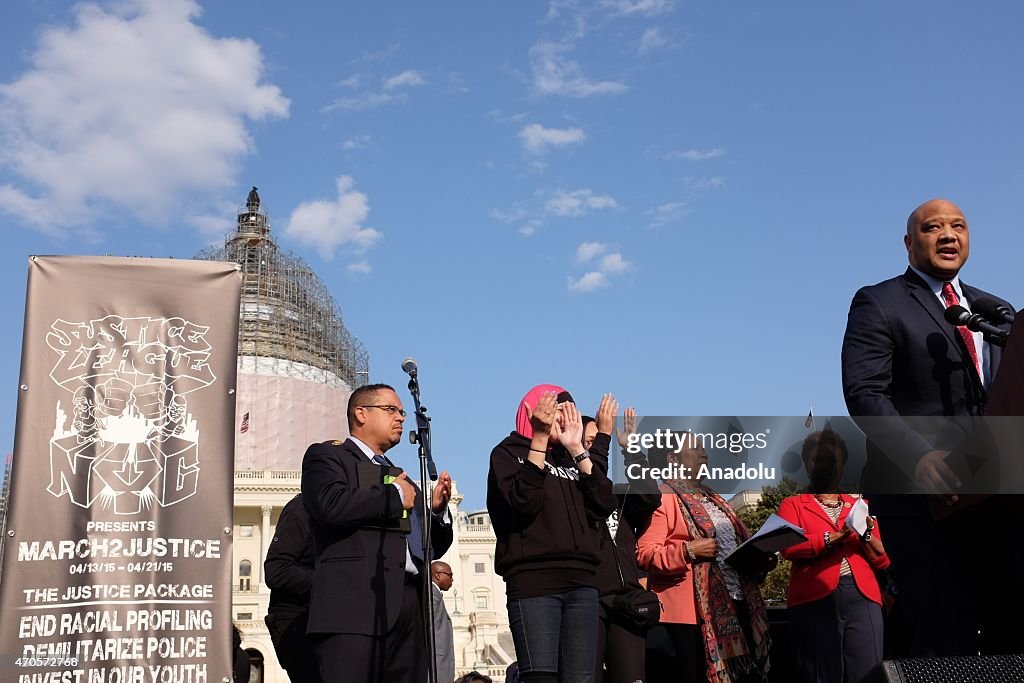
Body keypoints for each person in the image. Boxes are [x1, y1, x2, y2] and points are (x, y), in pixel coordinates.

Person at [840, 198, 1017, 656]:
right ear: (909, 242)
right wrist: (919, 456)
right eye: (932, 227)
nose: (947, 235)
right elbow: (865, 394)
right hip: (923, 504)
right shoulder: (878, 302)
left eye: (958, 226)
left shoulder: (996, 310)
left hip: (997, 499)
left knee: (1008, 626)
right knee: (944, 629)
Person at [301, 383, 454, 683]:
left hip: (408, 606)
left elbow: (429, 547)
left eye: (401, 412)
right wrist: (394, 497)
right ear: (361, 413)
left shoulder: (399, 475)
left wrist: (435, 511)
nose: (400, 418)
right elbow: (330, 504)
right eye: (390, 410)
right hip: (354, 606)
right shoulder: (328, 457)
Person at [487, 384, 617, 683]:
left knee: (582, 678)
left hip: (583, 582)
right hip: (535, 583)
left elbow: (604, 504)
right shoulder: (507, 453)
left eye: (567, 413)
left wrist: (577, 450)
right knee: (541, 677)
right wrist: (540, 439)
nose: (561, 420)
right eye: (553, 412)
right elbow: (522, 505)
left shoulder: (572, 458)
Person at [636, 436, 772, 683]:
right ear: (673, 459)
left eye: (704, 449)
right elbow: (644, 553)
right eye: (696, 449)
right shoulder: (664, 496)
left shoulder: (717, 500)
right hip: (693, 615)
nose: (704, 454)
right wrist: (687, 551)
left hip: (738, 603)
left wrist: (759, 557)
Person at [777, 430, 890, 683]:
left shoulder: (860, 506)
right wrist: (834, 537)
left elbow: (883, 560)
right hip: (813, 600)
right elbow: (788, 547)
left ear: (843, 465)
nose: (826, 466)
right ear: (806, 465)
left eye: (832, 460)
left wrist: (866, 535)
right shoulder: (792, 505)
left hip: (864, 599)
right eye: (818, 460)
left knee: (869, 675)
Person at [584, 407, 662, 683]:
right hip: (587, 602)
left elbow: (651, 498)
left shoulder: (621, 494)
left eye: (599, 439)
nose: (596, 444)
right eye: (589, 441)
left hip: (627, 602)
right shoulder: (569, 492)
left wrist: (631, 451)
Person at [264, 493, 323, 683]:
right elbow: (276, 570)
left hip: (324, 619)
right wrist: (329, 584)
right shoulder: (302, 509)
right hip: (298, 623)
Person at [432, 561, 456, 683]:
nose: (452, 580)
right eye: (450, 575)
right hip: (436, 663)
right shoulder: (432, 594)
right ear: (437, 575)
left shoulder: (436, 595)